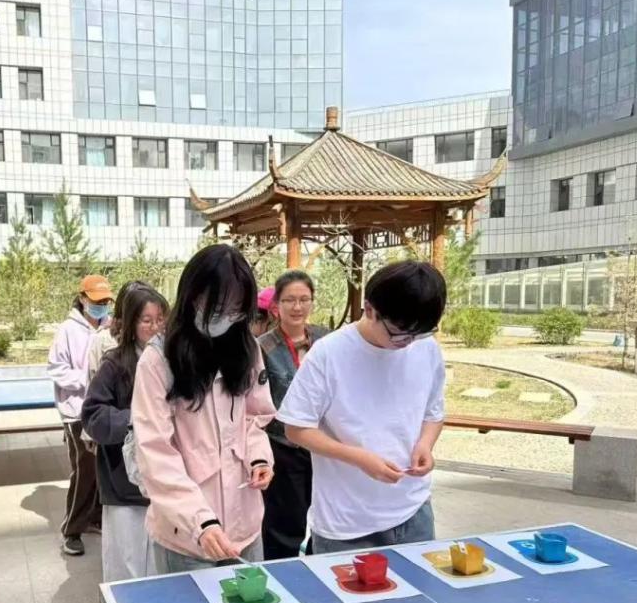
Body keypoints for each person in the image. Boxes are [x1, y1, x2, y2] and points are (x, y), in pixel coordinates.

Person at [277, 261, 447, 554]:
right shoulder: (329, 353)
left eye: (418, 333)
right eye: (399, 333)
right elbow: (296, 428)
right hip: (347, 524)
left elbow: (433, 412)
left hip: (414, 512)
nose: (408, 343)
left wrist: (425, 444)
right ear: (370, 310)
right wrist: (359, 458)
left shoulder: (426, 346)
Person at [131, 244, 277, 573]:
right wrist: (201, 521)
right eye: (220, 307)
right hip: (187, 535)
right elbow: (154, 451)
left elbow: (254, 416)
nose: (227, 316)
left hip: (244, 524)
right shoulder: (159, 360)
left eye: (237, 308)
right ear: (193, 296)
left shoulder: (246, 348)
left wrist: (258, 458)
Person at [80, 285, 168, 603]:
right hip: (124, 488)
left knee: (161, 571)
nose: (155, 327)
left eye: (160, 319)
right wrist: (136, 417)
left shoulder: (173, 360)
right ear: (130, 323)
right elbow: (93, 417)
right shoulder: (115, 365)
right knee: (126, 570)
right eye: (146, 320)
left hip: (164, 488)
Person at [257, 271, 329, 560]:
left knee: (326, 516)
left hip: (324, 445)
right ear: (276, 304)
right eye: (289, 300)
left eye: (303, 299)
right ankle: (281, 575)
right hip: (283, 447)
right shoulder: (262, 346)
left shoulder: (326, 340)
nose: (297, 307)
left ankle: (317, 567)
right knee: (285, 524)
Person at [47, 274, 114, 556]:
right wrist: (88, 379)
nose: (102, 306)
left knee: (102, 466)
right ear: (83, 299)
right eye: (97, 301)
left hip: (102, 408)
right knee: (84, 468)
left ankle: (94, 517)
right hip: (76, 411)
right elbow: (56, 369)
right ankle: (72, 530)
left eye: (106, 301)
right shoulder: (67, 330)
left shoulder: (110, 327)